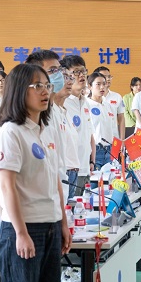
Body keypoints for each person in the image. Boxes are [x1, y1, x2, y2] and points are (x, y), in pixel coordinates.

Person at [0, 63, 71, 282]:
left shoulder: (45, 131)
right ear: (18, 91)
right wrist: (21, 232)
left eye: (47, 85)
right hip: (23, 230)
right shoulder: (9, 133)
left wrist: (62, 222)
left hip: (50, 226)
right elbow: (7, 187)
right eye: (37, 86)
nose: (45, 91)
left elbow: (55, 182)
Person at [63, 56, 95, 193]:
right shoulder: (63, 103)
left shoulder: (85, 102)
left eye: (83, 71)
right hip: (70, 170)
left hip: (85, 168)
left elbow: (88, 134)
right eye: (76, 72)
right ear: (65, 76)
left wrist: (91, 161)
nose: (81, 75)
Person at [87, 72, 117, 169]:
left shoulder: (108, 105)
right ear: (90, 86)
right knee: (95, 178)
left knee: (111, 177)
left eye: (104, 84)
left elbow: (113, 128)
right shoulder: (86, 105)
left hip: (109, 150)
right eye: (98, 84)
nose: (102, 87)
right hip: (95, 150)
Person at [92, 66, 125, 139]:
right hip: (96, 139)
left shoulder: (117, 96)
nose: (108, 79)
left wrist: (122, 139)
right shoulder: (88, 99)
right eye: (104, 76)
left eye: (109, 76)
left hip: (113, 138)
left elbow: (121, 118)